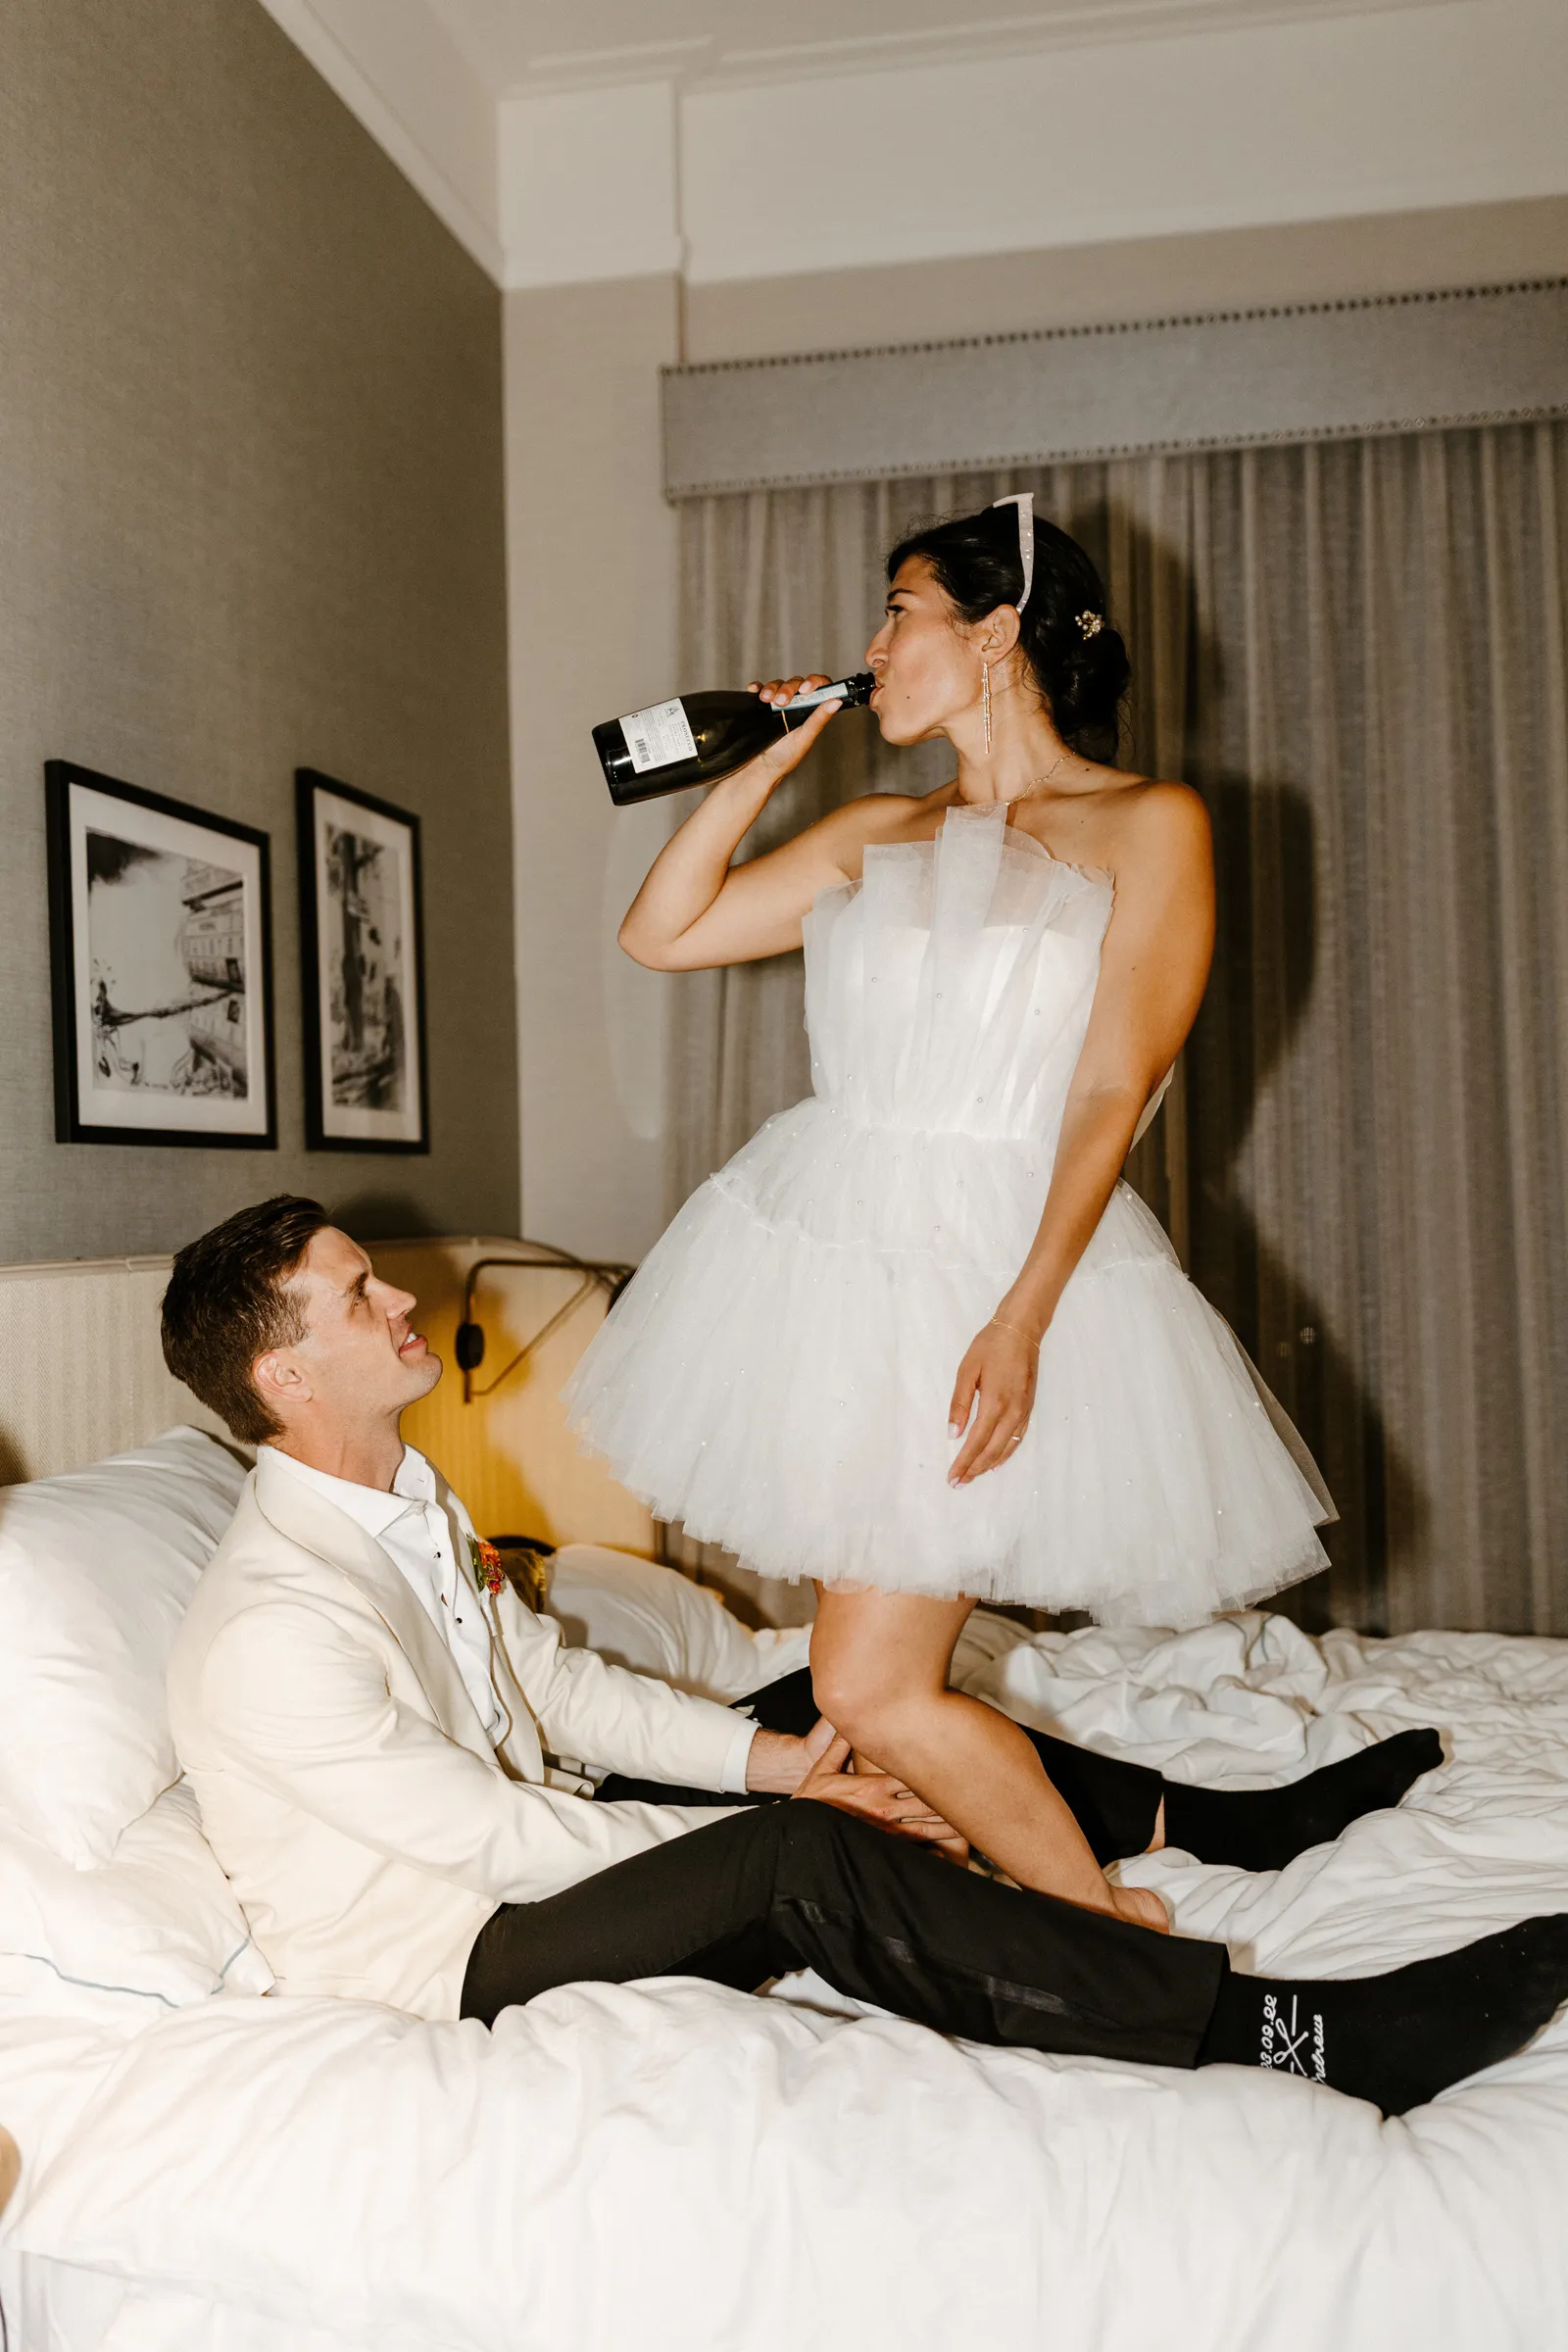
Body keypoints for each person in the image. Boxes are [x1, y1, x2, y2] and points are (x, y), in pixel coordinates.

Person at [162, 1197, 1568, 2117]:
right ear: (287, 1378)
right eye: (358, 1295)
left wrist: (789, 1756)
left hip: (531, 1844)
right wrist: (794, 1811)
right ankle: (1283, 2035)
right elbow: (491, 1840)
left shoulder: (410, 1498)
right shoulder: (274, 1625)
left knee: (841, 1699)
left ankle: (1216, 1822)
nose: (400, 1298)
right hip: (454, 1950)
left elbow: (556, 1687)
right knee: (802, 1859)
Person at [564, 495, 1330, 1924]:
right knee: (864, 1678)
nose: (871, 650)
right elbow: (661, 932)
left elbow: (1112, 1088)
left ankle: (1108, 1938)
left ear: (994, 633)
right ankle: (1070, 1924)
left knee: (864, 1682)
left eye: (897, 613)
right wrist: (762, 763)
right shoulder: (876, 829)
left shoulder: (1148, 824)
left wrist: (1024, 1314)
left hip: (998, 1261)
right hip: (836, 1262)